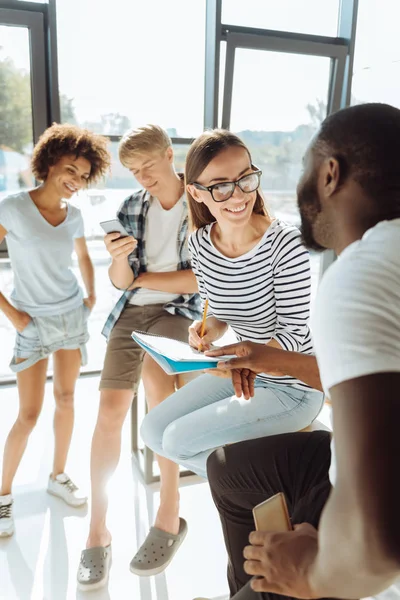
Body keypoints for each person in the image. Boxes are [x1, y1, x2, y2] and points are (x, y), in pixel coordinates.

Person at [201, 102, 400, 600]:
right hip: (361, 460)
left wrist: (309, 573)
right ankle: (248, 584)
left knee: (278, 579)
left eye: (306, 167)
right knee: (226, 467)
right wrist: (261, 357)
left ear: (330, 173)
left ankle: (268, 588)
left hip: (377, 512)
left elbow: (379, 543)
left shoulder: (362, 272)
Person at [140, 130, 324, 574]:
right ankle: (266, 490)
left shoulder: (287, 246)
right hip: (240, 369)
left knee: (181, 441)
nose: (237, 194)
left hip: (290, 386)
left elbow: (294, 337)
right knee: (153, 430)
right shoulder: (202, 243)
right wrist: (205, 330)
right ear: (196, 192)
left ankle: (273, 499)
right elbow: (220, 312)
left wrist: (244, 357)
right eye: (220, 185)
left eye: (245, 179)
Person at [77, 125, 201, 591]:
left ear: (170, 154)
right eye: (133, 171)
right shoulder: (131, 207)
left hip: (179, 312)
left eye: (149, 165)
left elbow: (199, 283)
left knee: (155, 381)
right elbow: (121, 282)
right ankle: (97, 529)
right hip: (132, 311)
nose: (142, 177)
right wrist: (118, 260)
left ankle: (169, 515)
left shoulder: (201, 203)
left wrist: (143, 277)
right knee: (108, 409)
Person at [0, 123, 110, 538]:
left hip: (69, 317)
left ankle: (58, 475)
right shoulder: (11, 208)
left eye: (83, 176)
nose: (76, 181)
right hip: (30, 321)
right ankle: (3, 497)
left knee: (66, 399)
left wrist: (91, 295)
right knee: (27, 414)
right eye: (71, 170)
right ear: (49, 162)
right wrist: (12, 314)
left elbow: (83, 256)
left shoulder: (75, 215)